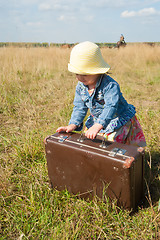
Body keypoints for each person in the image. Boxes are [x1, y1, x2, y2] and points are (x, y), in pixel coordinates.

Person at [56, 41, 146, 147]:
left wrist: (98, 126)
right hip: (97, 120)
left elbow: (111, 107)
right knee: (92, 143)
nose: (79, 78)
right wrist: (73, 124)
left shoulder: (110, 85)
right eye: (76, 73)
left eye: (84, 74)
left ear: (97, 70)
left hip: (116, 119)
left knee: (111, 144)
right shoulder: (81, 87)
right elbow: (79, 107)